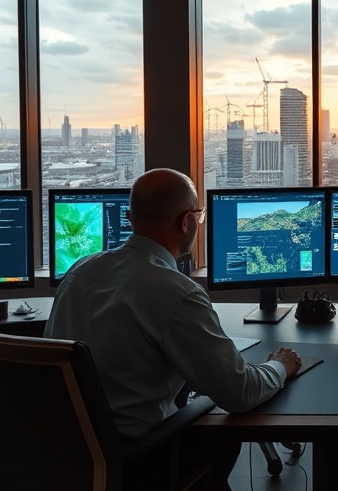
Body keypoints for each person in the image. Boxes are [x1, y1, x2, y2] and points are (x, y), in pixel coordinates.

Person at [45, 168, 302, 491]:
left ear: (129, 217)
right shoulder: (175, 293)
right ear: (185, 222)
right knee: (224, 428)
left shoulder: (79, 271)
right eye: (198, 214)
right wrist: (281, 365)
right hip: (138, 459)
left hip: (68, 452)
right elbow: (240, 393)